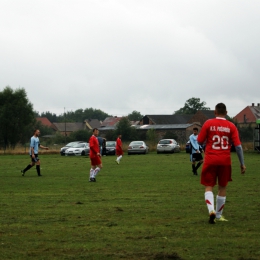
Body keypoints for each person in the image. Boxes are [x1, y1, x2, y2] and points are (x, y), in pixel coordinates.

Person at [197, 103, 246, 224]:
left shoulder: (208, 123)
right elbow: (238, 147)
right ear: (226, 112)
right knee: (222, 187)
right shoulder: (231, 126)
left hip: (210, 160)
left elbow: (199, 140)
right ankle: (218, 215)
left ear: (215, 112)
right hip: (225, 161)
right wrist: (242, 164)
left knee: (208, 186)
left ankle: (211, 210)